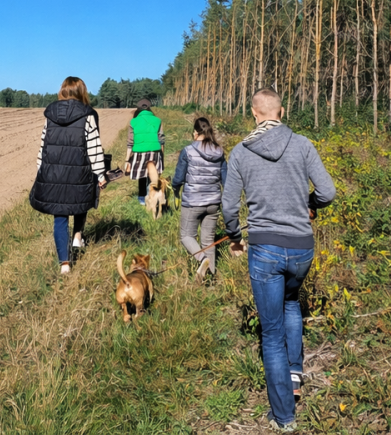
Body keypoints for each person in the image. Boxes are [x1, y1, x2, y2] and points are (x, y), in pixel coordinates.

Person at [222, 88, 336, 432]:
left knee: (271, 334)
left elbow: (229, 206)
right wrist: (310, 205)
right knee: (291, 303)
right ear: (281, 111)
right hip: (301, 248)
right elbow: (328, 192)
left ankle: (284, 417)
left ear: (254, 113)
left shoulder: (241, 151)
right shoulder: (302, 144)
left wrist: (235, 237)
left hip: (265, 250)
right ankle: (295, 373)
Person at [29, 76, 107, 275]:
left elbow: (44, 145)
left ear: (62, 91)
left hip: (53, 174)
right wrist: (100, 174)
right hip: (79, 172)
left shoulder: (50, 115)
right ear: (82, 92)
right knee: (80, 202)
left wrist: (41, 170)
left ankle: (65, 264)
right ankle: (77, 237)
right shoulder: (88, 115)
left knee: (60, 216)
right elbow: (94, 148)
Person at [171, 115, 225, 280]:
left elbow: (178, 178)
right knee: (208, 241)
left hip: (193, 202)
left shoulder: (188, 151)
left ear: (195, 133)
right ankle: (211, 279)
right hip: (214, 202)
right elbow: (226, 180)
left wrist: (175, 189)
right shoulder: (219, 151)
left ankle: (202, 259)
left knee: (187, 236)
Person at [126, 99, 165, 206]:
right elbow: (161, 140)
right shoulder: (157, 120)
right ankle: (151, 195)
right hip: (155, 151)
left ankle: (142, 198)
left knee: (142, 175)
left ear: (138, 109)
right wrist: (162, 157)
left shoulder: (133, 121)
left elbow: (130, 142)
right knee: (152, 175)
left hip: (139, 152)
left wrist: (127, 160)